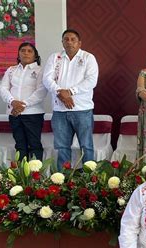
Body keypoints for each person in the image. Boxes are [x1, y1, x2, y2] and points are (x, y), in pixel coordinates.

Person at [42, 29, 99, 170]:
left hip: (82, 110)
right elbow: (46, 79)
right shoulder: (55, 57)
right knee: (62, 148)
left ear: (79, 43)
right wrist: (60, 93)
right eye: (66, 39)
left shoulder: (88, 58)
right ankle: (62, 180)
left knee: (86, 146)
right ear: (62, 42)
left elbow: (91, 81)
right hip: (59, 111)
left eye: (73, 39)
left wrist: (70, 92)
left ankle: (90, 180)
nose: (69, 42)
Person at [0, 42, 47, 161]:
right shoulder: (11, 70)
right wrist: (12, 101)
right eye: (23, 50)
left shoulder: (41, 70)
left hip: (33, 114)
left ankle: (35, 178)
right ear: (18, 54)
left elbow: (41, 91)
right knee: (20, 146)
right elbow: (3, 88)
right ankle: (22, 177)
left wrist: (23, 105)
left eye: (29, 51)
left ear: (35, 56)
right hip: (14, 113)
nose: (25, 53)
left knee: (35, 145)